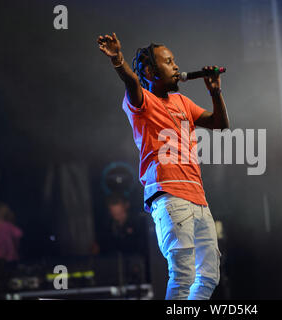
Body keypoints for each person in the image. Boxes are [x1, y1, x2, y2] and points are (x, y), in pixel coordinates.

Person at [97, 32, 230, 300]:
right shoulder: (142, 101)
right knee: (183, 275)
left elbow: (220, 124)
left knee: (209, 276)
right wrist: (118, 60)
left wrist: (215, 91)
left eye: (174, 61)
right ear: (150, 70)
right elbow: (131, 81)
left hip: (199, 200)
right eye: (169, 62)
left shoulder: (182, 102)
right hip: (170, 196)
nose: (177, 67)